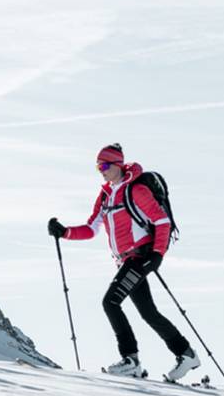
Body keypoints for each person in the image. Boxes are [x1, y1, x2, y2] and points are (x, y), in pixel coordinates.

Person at [48, 144, 198, 382]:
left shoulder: (136, 190)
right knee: (148, 312)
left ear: (118, 164)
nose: (102, 171)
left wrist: (157, 255)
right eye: (98, 167)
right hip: (124, 261)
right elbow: (91, 228)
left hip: (139, 258)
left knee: (110, 302)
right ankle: (186, 354)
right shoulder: (106, 196)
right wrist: (64, 232)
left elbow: (162, 221)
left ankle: (130, 360)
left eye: (105, 165)